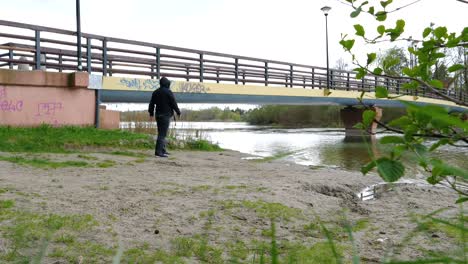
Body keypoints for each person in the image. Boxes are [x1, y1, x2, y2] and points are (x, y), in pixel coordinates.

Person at [148, 77, 181, 157]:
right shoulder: (168, 92)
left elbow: (151, 104)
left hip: (158, 116)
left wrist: (151, 114)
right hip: (165, 116)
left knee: (161, 133)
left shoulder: (155, 92)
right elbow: (173, 103)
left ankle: (163, 150)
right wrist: (178, 112)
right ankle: (158, 152)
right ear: (167, 83)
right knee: (162, 135)